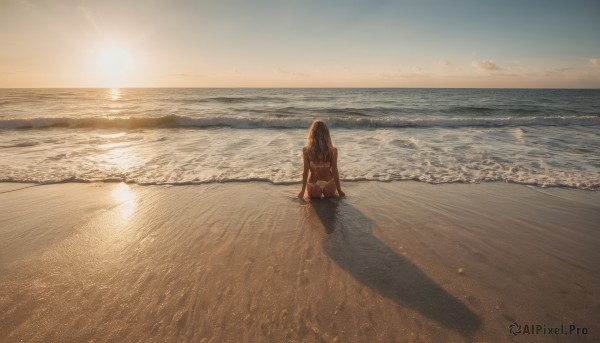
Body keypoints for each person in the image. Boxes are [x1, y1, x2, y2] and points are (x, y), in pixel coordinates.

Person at [298, 120, 345, 199]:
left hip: (313, 185)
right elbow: (334, 171)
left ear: (312, 134)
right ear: (327, 134)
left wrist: (302, 191)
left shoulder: (306, 150)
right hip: (329, 184)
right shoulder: (333, 150)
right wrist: (339, 190)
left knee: (315, 205)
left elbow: (305, 172)